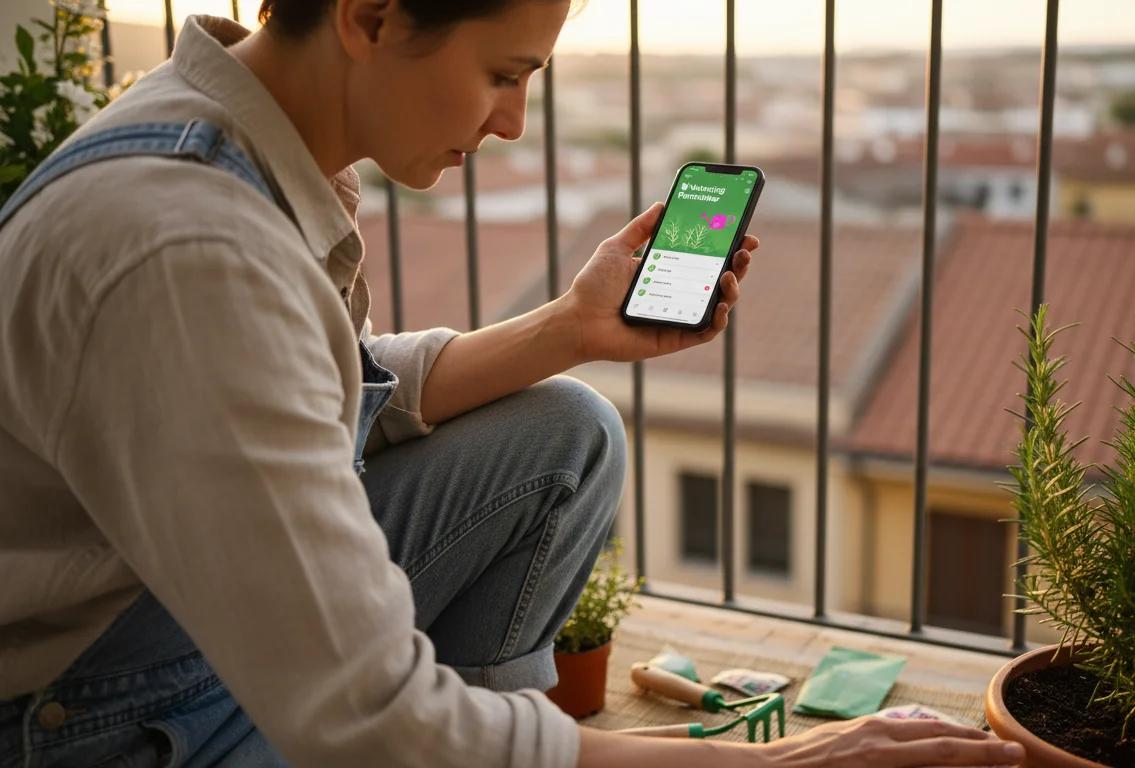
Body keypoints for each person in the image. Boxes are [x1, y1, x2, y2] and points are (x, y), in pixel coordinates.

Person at [0, 0, 1026, 766]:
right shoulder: (188, 247)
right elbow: (366, 717)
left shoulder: (235, 146)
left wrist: (572, 328)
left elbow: (327, 395)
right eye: (505, 73)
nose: (514, 123)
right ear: (370, 15)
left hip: (170, 613)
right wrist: (788, 759)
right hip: (93, 714)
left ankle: (497, 743)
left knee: (562, 433)